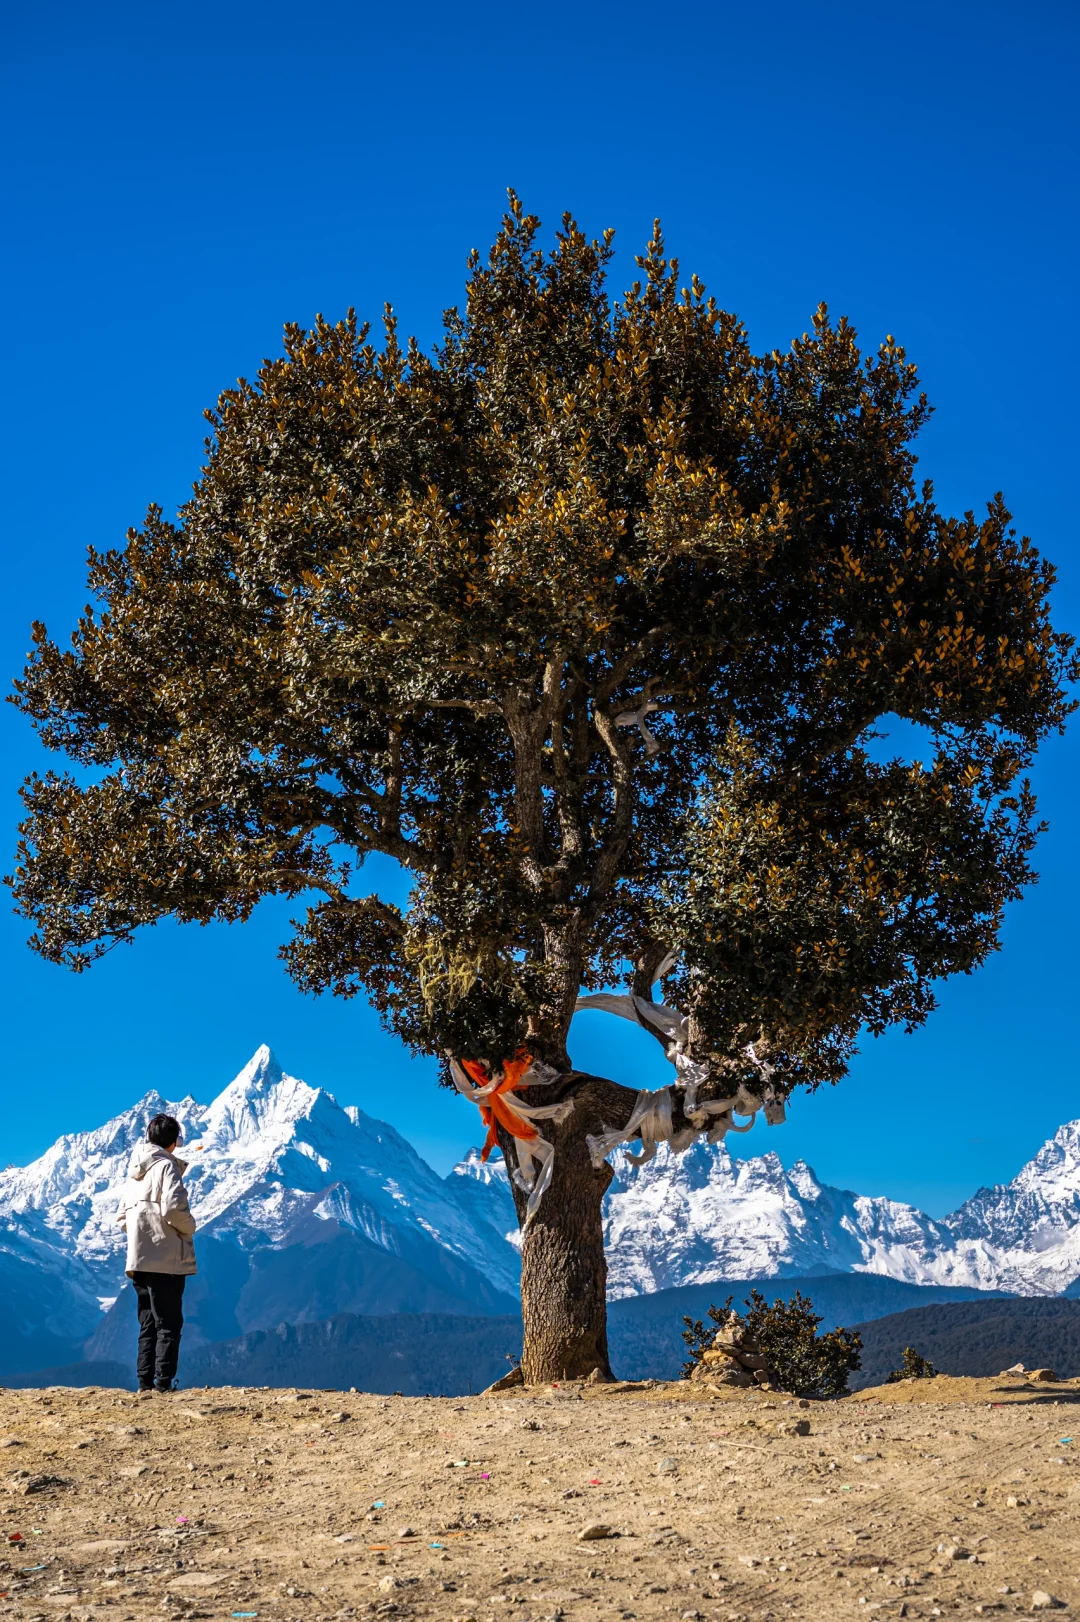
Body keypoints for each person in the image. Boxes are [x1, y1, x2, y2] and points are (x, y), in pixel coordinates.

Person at [116, 1112, 197, 1395]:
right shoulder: (167, 1167)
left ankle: (144, 1383)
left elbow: (123, 1217)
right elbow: (174, 1208)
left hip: (138, 1259)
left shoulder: (134, 1173)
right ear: (174, 1141)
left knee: (147, 1322)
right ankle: (163, 1384)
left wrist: (140, 1237)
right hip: (167, 1258)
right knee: (169, 1323)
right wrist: (190, 1227)